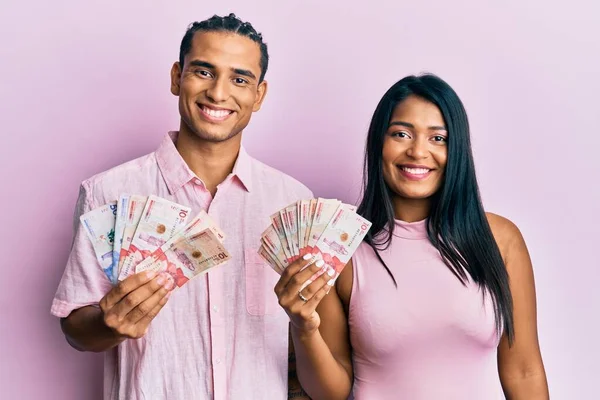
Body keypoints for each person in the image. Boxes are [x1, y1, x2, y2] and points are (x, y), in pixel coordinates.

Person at [52, 13, 312, 400]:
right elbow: (75, 329)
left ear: (258, 95)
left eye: (239, 79)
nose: (219, 93)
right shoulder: (108, 193)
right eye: (204, 72)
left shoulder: (293, 204)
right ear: (177, 77)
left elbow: (299, 345)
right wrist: (111, 322)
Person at [275, 74, 550, 399]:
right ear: (379, 142)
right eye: (401, 134)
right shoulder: (341, 248)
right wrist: (303, 328)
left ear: (457, 150)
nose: (418, 151)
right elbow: (330, 392)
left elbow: (524, 370)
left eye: (438, 138)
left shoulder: (501, 240)